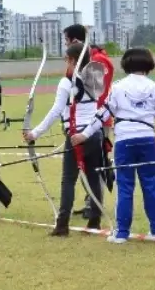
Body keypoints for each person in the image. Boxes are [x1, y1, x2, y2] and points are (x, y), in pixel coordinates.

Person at [75, 47, 155, 244]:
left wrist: (84, 133)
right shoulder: (153, 86)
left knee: (125, 185)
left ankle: (122, 232)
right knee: (151, 184)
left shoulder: (117, 87)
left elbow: (104, 113)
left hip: (125, 140)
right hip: (147, 139)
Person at [24, 42, 104, 236]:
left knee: (68, 180)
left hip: (77, 135)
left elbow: (56, 110)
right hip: (94, 132)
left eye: (66, 60)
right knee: (94, 178)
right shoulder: (95, 76)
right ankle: (94, 221)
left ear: (73, 60)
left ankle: (62, 224)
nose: (64, 64)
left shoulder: (67, 82)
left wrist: (35, 132)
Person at [63, 24, 113, 220]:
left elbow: (100, 96)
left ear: (75, 41)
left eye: (67, 41)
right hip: (83, 121)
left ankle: (93, 205)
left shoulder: (97, 62)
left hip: (95, 121)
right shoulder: (84, 64)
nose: (65, 45)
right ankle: (90, 203)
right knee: (85, 166)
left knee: (93, 167)